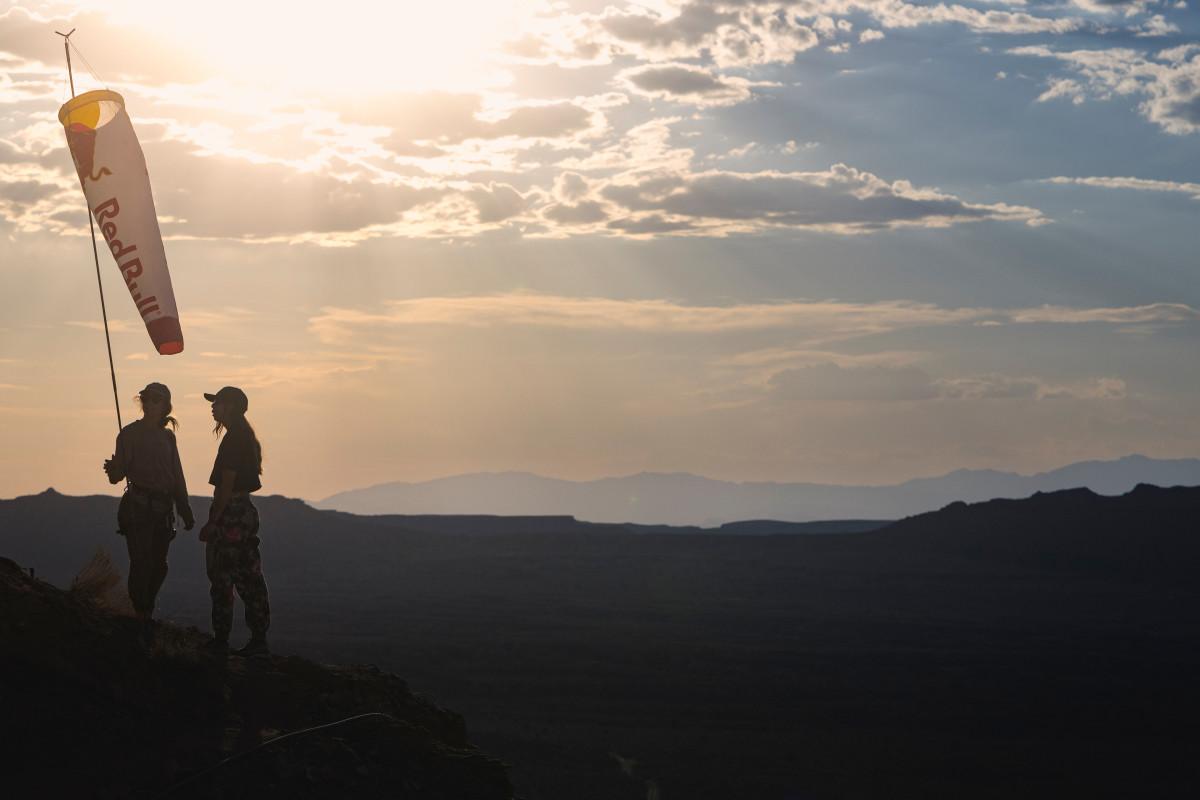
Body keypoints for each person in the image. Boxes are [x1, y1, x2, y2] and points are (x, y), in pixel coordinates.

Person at [103, 382, 195, 636]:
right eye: (145, 398)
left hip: (163, 510)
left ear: (165, 405)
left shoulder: (168, 437)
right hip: (138, 507)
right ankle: (140, 612)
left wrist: (184, 507)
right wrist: (113, 471)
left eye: (155, 399)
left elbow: (176, 473)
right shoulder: (129, 434)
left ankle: (147, 608)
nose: (149, 402)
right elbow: (117, 476)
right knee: (141, 562)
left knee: (159, 566)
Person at [199, 386, 270, 657]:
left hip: (231, 513)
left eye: (217, 403)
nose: (213, 407)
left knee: (222, 576)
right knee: (250, 576)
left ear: (230, 406)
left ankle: (221, 640)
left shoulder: (233, 440)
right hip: (247, 513)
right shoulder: (244, 437)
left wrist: (213, 521)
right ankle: (259, 639)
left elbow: (226, 484)